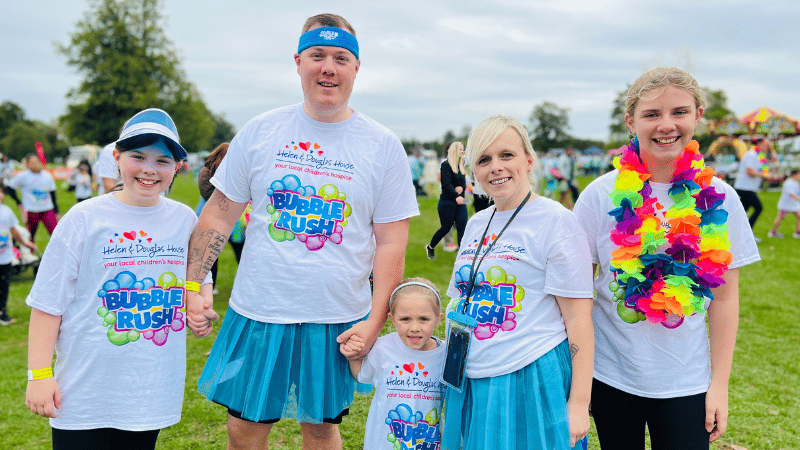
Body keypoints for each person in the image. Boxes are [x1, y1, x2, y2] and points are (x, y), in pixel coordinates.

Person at [186, 13, 418, 450]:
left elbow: (392, 242)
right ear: (298, 62)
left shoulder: (382, 144)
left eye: (340, 57)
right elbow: (218, 214)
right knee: (244, 429)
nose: (328, 66)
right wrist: (193, 281)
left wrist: (375, 319)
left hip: (335, 316)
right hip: (259, 310)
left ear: (355, 68)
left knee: (321, 428)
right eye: (317, 55)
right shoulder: (261, 130)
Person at [573, 67, 761, 450]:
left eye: (679, 112)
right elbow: (577, 298)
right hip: (611, 376)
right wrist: (580, 382)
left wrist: (719, 385)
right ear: (631, 121)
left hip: (687, 381)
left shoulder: (721, 198)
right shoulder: (598, 195)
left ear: (698, 116)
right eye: (652, 114)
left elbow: (724, 300)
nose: (666, 125)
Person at [24, 108, 215, 450]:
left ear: (177, 167)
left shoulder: (184, 219)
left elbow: (199, 276)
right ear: (116, 157)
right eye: (137, 156)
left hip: (150, 391)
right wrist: (39, 375)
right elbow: (47, 303)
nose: (148, 169)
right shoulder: (84, 218)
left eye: (162, 161)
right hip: (83, 392)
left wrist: (199, 303)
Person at [441, 115, 593, 450]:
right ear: (473, 172)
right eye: (484, 159)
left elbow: (578, 319)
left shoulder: (557, 222)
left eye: (506, 155)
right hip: (473, 371)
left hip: (530, 374)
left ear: (528, 160)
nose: (495, 167)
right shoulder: (478, 222)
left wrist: (579, 403)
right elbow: (461, 296)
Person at [342, 277, 445, 450]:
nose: (414, 327)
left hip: (429, 442)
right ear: (392, 318)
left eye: (423, 319)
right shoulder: (383, 348)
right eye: (405, 319)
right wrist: (354, 356)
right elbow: (362, 375)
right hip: (383, 442)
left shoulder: (446, 354)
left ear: (438, 318)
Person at [196, 143, 249, 289]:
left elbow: (206, 193)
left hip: (208, 214)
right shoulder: (232, 171)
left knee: (211, 255)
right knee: (240, 252)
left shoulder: (206, 171)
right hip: (231, 217)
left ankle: (210, 288)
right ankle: (244, 284)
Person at [0, 188, 37, 325]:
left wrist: (25, 243)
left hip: (5, 257)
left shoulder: (6, 211)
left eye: (1, 192)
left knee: (4, 286)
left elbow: (13, 230)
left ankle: (2, 313)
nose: (1, 195)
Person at [426, 141, 468, 260]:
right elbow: (446, 183)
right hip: (447, 202)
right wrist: (456, 195)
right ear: (455, 150)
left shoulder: (461, 165)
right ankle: (430, 247)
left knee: (462, 227)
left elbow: (463, 183)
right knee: (446, 227)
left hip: (460, 203)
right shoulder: (445, 165)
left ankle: (463, 255)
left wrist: (461, 190)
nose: (463, 151)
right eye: (460, 149)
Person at [7, 153, 59, 239]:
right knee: (30, 236)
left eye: (36, 162)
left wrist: (56, 212)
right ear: (27, 164)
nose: (35, 164)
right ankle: (30, 251)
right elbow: (10, 188)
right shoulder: (23, 176)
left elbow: (53, 193)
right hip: (31, 210)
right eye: (32, 162)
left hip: (47, 209)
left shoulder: (47, 176)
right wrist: (18, 202)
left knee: (55, 234)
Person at [734, 138, 776, 239]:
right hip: (744, 188)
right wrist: (764, 176)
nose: (768, 147)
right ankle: (748, 234)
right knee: (758, 208)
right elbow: (750, 172)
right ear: (760, 143)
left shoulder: (759, 156)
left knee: (742, 211)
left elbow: (762, 170)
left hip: (748, 188)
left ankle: (739, 232)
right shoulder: (752, 155)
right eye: (767, 144)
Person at [767, 168, 800, 238]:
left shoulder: (795, 183)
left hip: (794, 204)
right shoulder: (789, 183)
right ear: (794, 175)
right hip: (786, 205)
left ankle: (798, 232)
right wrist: (798, 199)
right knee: (780, 217)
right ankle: (773, 231)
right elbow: (792, 194)